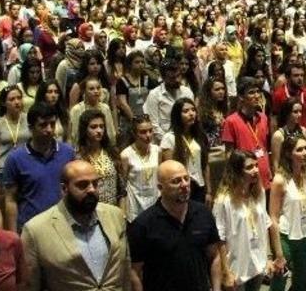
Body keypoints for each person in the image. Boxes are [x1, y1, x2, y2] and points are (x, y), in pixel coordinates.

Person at [21, 160, 135, 291]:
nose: (91, 190)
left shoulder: (115, 216)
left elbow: (125, 270)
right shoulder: (36, 230)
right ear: (64, 189)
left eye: (95, 183)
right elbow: (30, 285)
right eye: (83, 185)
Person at [129, 160, 225, 291]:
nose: (184, 184)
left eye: (186, 178)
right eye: (176, 181)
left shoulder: (203, 213)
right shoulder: (143, 224)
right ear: (160, 187)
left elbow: (214, 256)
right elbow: (135, 271)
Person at [214, 150, 285, 291]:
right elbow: (219, 239)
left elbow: (265, 226)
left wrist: (268, 257)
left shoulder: (259, 193)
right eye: (249, 167)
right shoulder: (223, 200)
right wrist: (225, 272)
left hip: (257, 264)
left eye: (256, 165)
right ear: (236, 171)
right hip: (236, 268)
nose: (255, 170)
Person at [3, 102, 76, 232]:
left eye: (52, 124)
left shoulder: (68, 153)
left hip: (64, 225)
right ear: (31, 128)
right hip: (30, 228)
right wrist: (13, 235)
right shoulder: (15, 159)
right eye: (43, 125)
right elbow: (10, 200)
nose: (49, 129)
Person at [269, 135, 306, 291]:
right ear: (289, 154)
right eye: (299, 149)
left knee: (301, 283)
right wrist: (278, 253)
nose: (304, 153)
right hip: (286, 237)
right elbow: (273, 218)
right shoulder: (280, 180)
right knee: (279, 283)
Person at [222, 77, 272, 190]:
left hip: (263, 174)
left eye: (258, 92)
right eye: (251, 93)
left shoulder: (263, 118)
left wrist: (269, 169)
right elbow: (229, 154)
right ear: (241, 97)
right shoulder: (231, 121)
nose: (256, 96)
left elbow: (264, 147)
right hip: (245, 178)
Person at [75, 109, 126, 210]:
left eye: (101, 127)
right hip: (89, 211)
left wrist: (122, 214)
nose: (99, 131)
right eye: (93, 127)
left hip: (113, 211)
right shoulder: (77, 157)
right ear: (84, 129)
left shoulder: (112, 153)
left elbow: (122, 191)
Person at [120, 115, 160, 222]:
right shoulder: (126, 155)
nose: (148, 135)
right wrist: (122, 211)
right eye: (143, 132)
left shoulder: (157, 150)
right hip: (135, 206)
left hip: (155, 202)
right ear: (134, 133)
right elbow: (122, 187)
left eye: (150, 131)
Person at [145, 59, 195, 143]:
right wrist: (170, 141)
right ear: (163, 78)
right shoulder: (154, 94)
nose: (177, 80)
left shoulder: (187, 92)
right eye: (172, 78)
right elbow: (153, 124)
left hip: (186, 139)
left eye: (178, 76)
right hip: (163, 141)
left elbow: (192, 119)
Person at [0, 85, 30, 183]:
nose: (17, 102)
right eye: (12, 99)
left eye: (19, 98)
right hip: (3, 169)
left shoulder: (29, 119)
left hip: (26, 167)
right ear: (3, 103)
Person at [116, 50, 157, 142]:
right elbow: (122, 103)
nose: (141, 64)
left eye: (142, 62)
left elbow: (152, 99)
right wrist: (134, 121)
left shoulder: (147, 79)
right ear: (130, 64)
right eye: (137, 62)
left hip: (145, 119)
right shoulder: (122, 81)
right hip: (128, 121)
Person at [68, 77, 116, 144]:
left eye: (98, 88)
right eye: (91, 89)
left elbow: (111, 133)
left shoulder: (105, 108)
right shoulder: (77, 109)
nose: (96, 91)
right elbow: (74, 135)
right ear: (84, 91)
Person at [271, 62, 306, 131]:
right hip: (285, 135)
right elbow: (274, 119)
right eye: (296, 75)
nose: (300, 78)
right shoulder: (278, 94)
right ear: (287, 77)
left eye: (302, 75)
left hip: (303, 134)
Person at [271, 98, 306, 173]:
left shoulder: (303, 130)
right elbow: (275, 162)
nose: (299, 115)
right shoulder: (279, 135)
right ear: (287, 113)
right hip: (286, 174)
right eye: (295, 112)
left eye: (300, 111)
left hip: (301, 172)